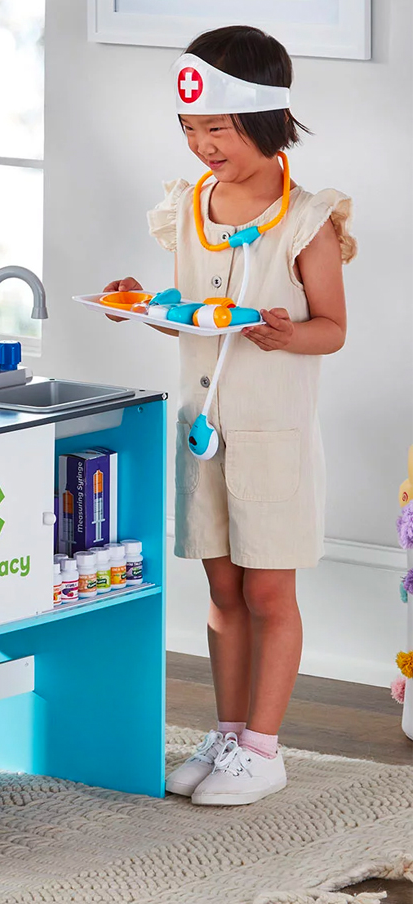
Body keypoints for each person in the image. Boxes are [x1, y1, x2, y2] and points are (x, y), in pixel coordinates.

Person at [106, 26, 355, 804]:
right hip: (201, 429)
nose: (202, 144)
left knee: (269, 594)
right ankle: (227, 733)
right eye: (189, 129)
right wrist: (138, 307)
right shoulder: (186, 207)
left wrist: (287, 335)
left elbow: (333, 329)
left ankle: (266, 747)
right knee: (220, 592)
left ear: (265, 117)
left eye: (218, 126)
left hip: (270, 434)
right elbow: (186, 309)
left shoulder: (306, 218)